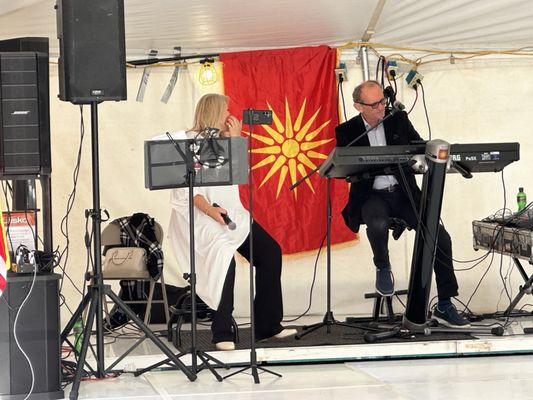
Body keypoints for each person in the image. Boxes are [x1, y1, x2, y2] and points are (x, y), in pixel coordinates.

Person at [166, 93, 297, 350]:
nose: (230, 115)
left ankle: (268, 325)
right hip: (201, 218)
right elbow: (186, 190)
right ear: (215, 112)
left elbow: (239, 177)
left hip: (232, 214)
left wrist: (235, 142)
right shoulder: (187, 142)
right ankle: (221, 331)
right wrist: (209, 210)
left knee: (270, 253)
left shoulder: (228, 142)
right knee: (225, 259)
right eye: (226, 110)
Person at [335, 80, 469, 327]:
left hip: (404, 193)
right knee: (376, 222)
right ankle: (383, 266)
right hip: (372, 196)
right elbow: (345, 167)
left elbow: (420, 146)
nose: (380, 108)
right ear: (358, 106)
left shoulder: (398, 119)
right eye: (373, 104)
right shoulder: (347, 131)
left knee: (440, 236)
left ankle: (445, 304)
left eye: (382, 102)